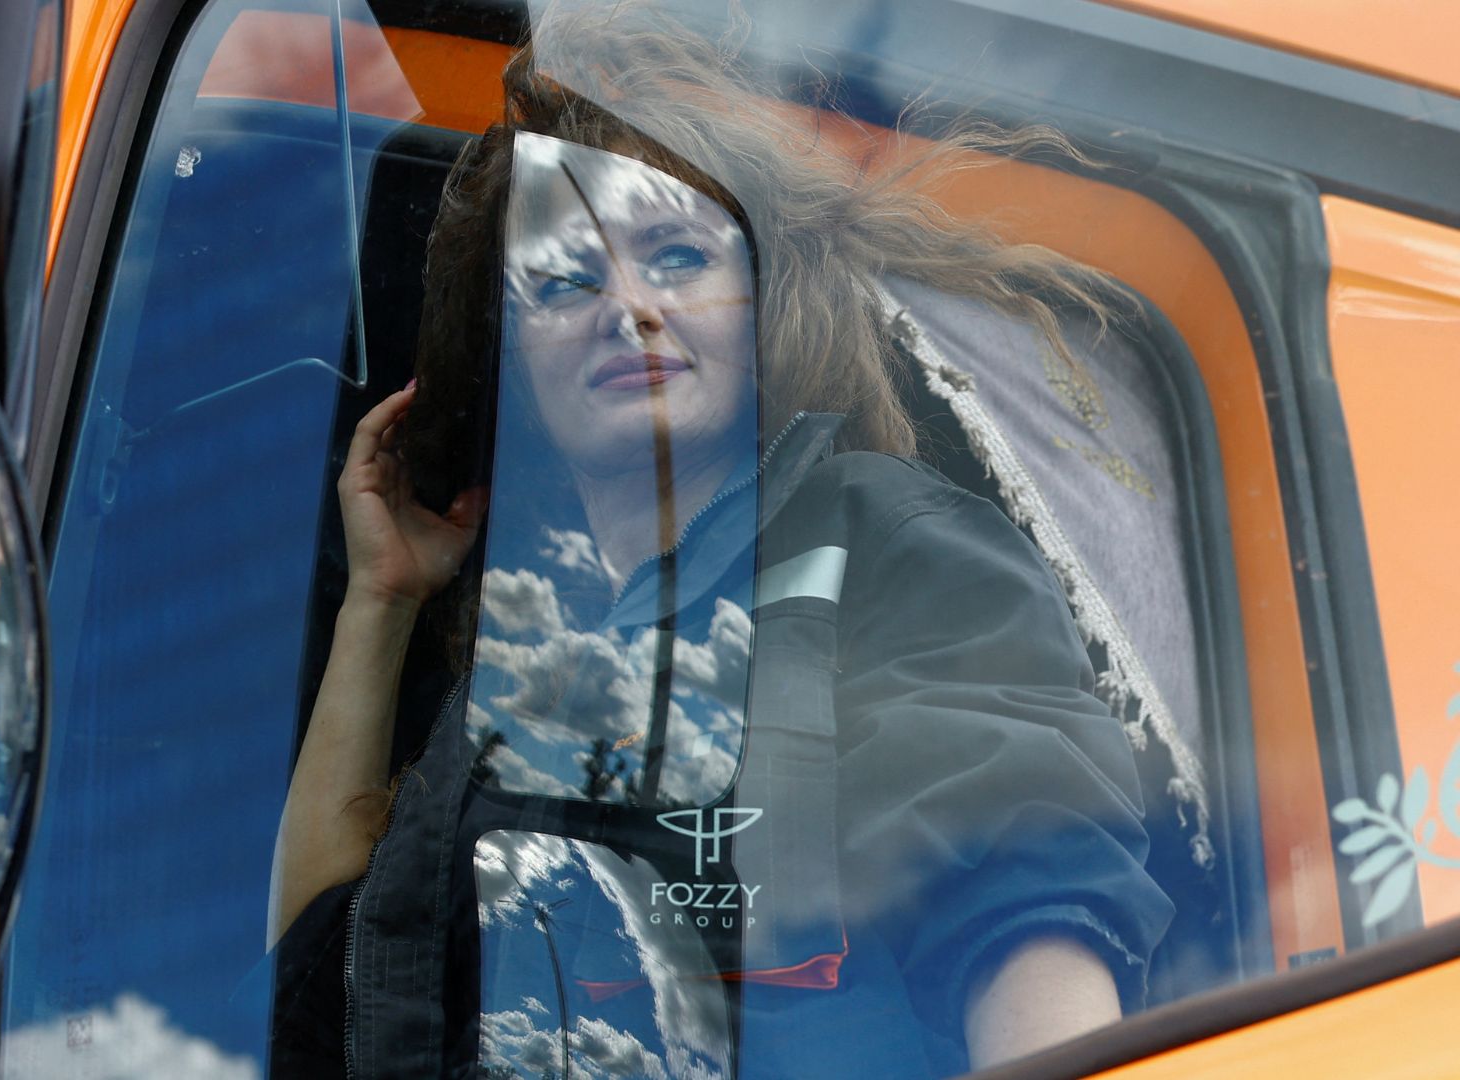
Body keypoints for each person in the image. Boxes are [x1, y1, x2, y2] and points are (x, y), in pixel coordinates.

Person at [269, 5, 1173, 1076]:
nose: (628, 307)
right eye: (565, 279)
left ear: (762, 305)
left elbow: (1030, 918)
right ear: (514, 355)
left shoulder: (882, 543)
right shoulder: (535, 669)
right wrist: (383, 598)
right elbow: (326, 951)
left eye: (677, 254)